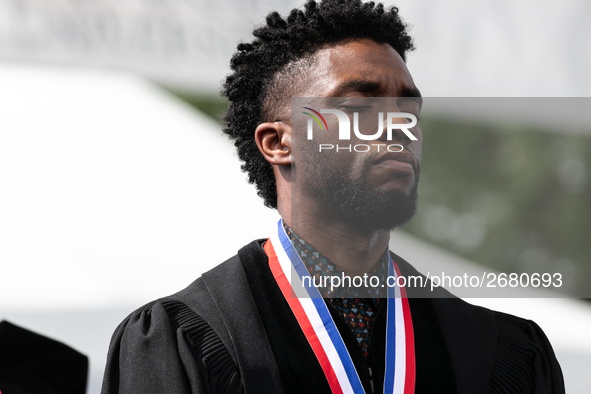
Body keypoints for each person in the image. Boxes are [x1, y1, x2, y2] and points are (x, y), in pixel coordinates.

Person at [101, 1, 565, 393]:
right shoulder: (183, 339)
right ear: (278, 143)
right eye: (358, 107)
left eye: (409, 108)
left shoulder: (498, 352)